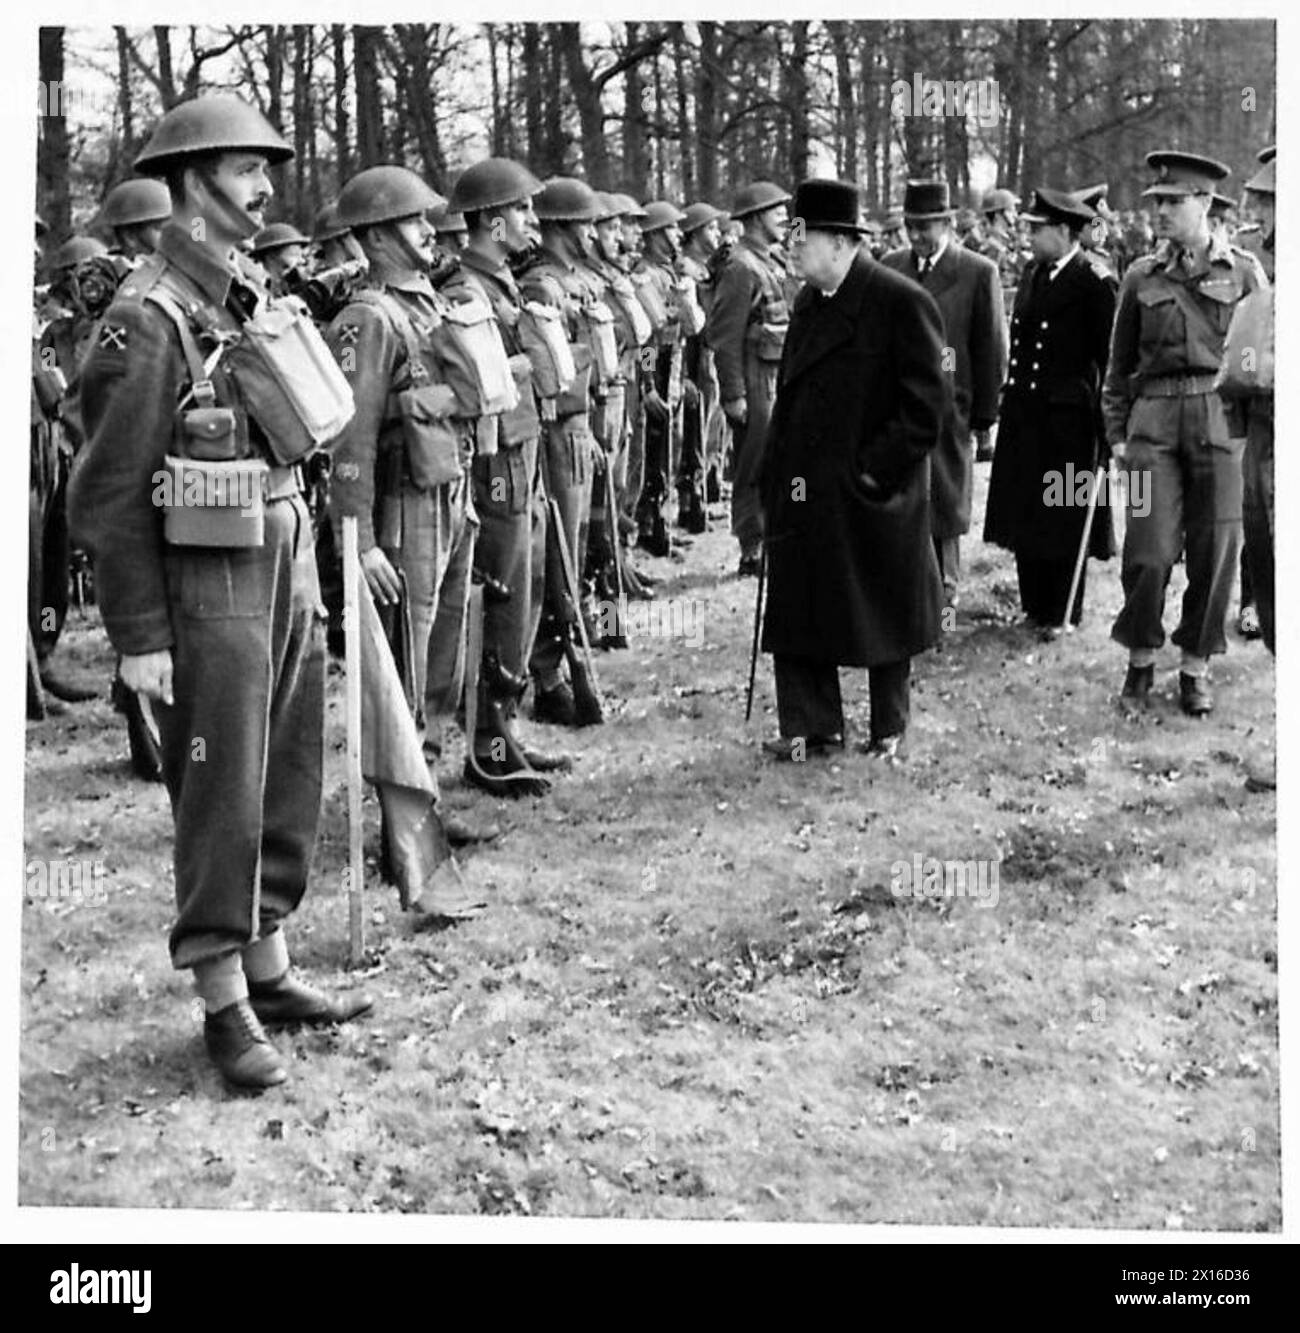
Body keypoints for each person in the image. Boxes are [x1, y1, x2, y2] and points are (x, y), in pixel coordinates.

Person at [69, 94, 371, 1091]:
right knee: (219, 788)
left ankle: (269, 968)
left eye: (264, 170)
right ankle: (221, 996)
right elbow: (108, 492)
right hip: (207, 588)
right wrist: (138, 637)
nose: (265, 187)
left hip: (279, 560)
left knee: (284, 771)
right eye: (246, 169)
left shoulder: (240, 293)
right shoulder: (144, 317)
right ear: (194, 183)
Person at [759, 179, 947, 763]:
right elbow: (791, 394)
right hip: (805, 487)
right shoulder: (808, 303)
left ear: (840, 242)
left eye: (802, 236)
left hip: (869, 492)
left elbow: (925, 409)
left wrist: (872, 474)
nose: (792, 246)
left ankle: (889, 727)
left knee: (883, 607)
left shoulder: (899, 300)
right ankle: (812, 729)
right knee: (800, 605)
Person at [1102, 150, 1266, 716]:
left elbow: (1265, 355)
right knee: (1146, 552)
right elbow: (1118, 368)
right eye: (1157, 201)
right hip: (1152, 428)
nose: (1161, 211)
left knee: (1216, 550)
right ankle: (1140, 658)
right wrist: (1118, 436)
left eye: (1173, 202)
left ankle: (1196, 665)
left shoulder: (1243, 272)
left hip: (1221, 424)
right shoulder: (1139, 276)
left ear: (1204, 203)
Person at [441, 156, 568, 795]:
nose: (530, 221)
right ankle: (488, 744)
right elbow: (479, 386)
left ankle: (506, 729)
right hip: (496, 467)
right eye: (520, 210)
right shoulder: (468, 290)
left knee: (525, 592)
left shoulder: (500, 284)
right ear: (491, 220)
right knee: (499, 599)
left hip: (522, 455)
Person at [984, 188, 1117, 635]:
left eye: (1038, 230)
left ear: (1064, 231)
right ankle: (1034, 605)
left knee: (1063, 513)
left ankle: (1062, 611)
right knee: (1027, 510)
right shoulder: (1032, 273)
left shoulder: (1093, 281)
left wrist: (1108, 422)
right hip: (1026, 413)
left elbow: (1107, 359)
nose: (1030, 237)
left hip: (1068, 421)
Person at [882, 180, 1006, 605]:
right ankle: (906, 584)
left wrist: (984, 414)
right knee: (901, 496)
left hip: (951, 406)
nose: (916, 236)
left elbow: (990, 346)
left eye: (925, 227)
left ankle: (945, 590)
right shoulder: (891, 266)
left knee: (946, 499)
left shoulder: (976, 271)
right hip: (899, 405)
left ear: (948, 223)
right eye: (910, 226)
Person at [705, 180, 792, 577]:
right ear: (756, 218)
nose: (786, 217)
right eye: (778, 211)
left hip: (775, 373)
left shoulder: (769, 260)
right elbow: (724, 336)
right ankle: (752, 548)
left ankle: (771, 536)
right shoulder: (740, 267)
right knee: (753, 464)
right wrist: (733, 394)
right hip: (754, 378)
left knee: (774, 460)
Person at [1233, 146, 1275, 789]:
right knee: (1266, 569)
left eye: (1270, 203)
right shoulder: (1265, 272)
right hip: (1265, 438)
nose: (1260, 215)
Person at [248, 221, 311, 294]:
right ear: (271, 255)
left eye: (300, 255)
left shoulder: (284, 289)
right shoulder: (253, 285)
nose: (301, 261)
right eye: (294, 253)